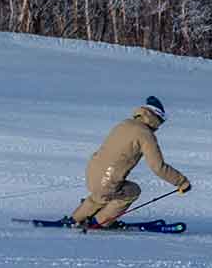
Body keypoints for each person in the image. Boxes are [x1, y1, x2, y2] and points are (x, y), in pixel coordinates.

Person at [69, 95, 192, 229]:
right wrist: (181, 182)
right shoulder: (145, 134)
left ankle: (75, 219)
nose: (160, 126)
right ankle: (99, 222)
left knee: (100, 196)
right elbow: (158, 167)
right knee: (132, 191)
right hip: (107, 178)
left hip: (93, 172)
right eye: (161, 121)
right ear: (155, 117)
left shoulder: (125, 124)